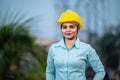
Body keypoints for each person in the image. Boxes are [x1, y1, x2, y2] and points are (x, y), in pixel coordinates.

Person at [46, 9, 105, 80]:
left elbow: (100, 71)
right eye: (64, 27)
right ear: (61, 29)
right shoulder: (53, 48)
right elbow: (50, 72)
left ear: (78, 29)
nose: (68, 30)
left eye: (72, 27)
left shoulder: (87, 49)